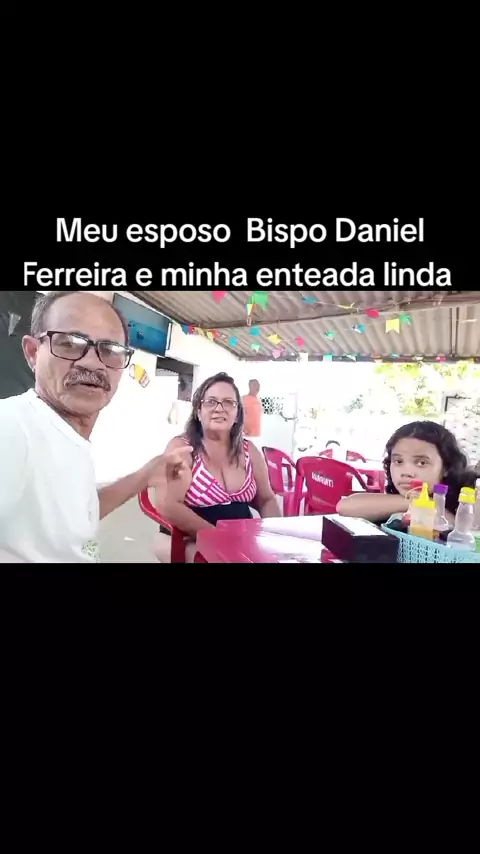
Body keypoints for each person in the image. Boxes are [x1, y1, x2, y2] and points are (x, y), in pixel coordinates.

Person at [0, 292, 192, 562]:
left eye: (110, 349)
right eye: (69, 343)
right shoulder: (11, 428)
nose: (91, 362)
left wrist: (147, 474)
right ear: (33, 353)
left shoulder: (65, 436)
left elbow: (79, 516)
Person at [153, 372, 280, 559]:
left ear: (237, 414)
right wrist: (219, 540)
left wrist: (277, 538)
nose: (219, 409)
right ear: (198, 411)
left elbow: (266, 498)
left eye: (228, 402)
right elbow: (168, 505)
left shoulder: (249, 451)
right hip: (189, 539)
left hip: (239, 542)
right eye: (211, 402)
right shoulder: (183, 448)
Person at [337, 420, 478, 526]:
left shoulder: (470, 500)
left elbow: (466, 530)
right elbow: (344, 507)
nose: (406, 473)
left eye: (421, 462)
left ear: (446, 467)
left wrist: (438, 509)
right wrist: (420, 502)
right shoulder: (402, 500)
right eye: (398, 461)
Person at [242, 379, 263, 447]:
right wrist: (243, 428)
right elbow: (238, 415)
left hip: (257, 436)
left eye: (258, 386)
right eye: (255, 385)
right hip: (247, 435)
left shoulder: (258, 399)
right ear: (250, 386)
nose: (258, 388)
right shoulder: (243, 399)